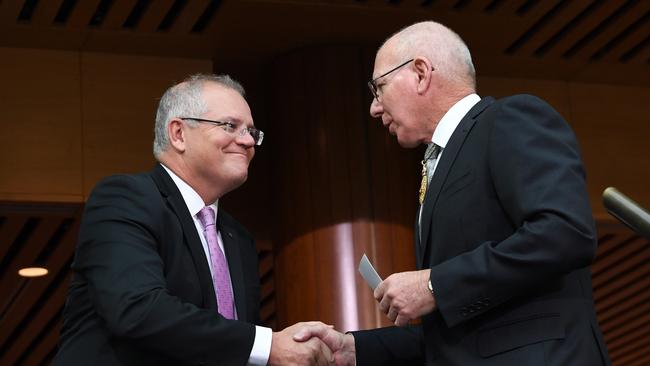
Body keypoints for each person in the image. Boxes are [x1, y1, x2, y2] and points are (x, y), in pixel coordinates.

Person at [295, 21, 611, 365]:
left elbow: (565, 233)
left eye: (378, 88)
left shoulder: (509, 119)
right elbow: (457, 336)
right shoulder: (437, 166)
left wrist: (434, 285)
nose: (374, 107)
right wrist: (355, 349)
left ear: (419, 73)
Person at [53, 74, 333, 366]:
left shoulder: (239, 238)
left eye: (252, 131)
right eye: (230, 126)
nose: (248, 140)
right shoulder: (125, 199)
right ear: (178, 134)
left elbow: (235, 347)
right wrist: (269, 344)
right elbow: (137, 309)